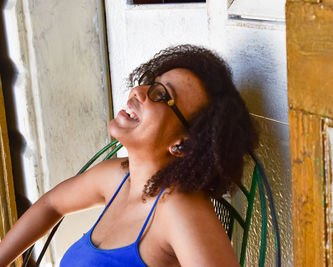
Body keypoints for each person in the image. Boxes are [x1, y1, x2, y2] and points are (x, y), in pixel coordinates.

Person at [0, 44, 257, 266]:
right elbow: (51, 205)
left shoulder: (180, 211)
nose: (138, 91)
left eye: (161, 95)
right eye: (151, 83)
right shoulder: (117, 177)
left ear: (183, 145)